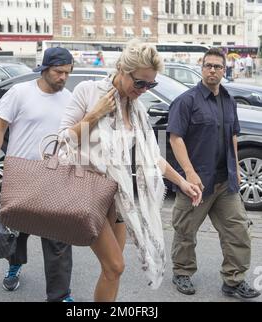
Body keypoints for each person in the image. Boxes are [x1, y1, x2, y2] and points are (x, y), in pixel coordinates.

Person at [58, 40, 202, 302]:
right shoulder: (88, 92)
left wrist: (182, 182)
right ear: (122, 69)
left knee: (112, 271)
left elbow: (152, 156)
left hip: (119, 196)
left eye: (151, 85)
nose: (144, 90)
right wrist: (94, 115)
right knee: (115, 265)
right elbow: (61, 142)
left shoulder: (137, 109)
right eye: (140, 83)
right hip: (89, 193)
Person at [167, 47, 261, 299]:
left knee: (238, 231)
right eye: (208, 65)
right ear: (202, 68)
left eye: (217, 67)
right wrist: (188, 172)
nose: (212, 70)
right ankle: (182, 273)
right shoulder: (187, 101)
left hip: (225, 182)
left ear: (224, 70)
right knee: (185, 231)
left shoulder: (229, 99)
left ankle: (233, 279)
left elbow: (233, 134)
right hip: (196, 183)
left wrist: (237, 169)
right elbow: (175, 138)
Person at [0, 47, 74, 302]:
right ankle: (14, 265)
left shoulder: (68, 98)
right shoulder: (20, 93)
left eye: (67, 73)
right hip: (20, 174)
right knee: (17, 231)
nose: (63, 78)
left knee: (58, 236)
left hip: (54, 175)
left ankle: (60, 295)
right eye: (58, 72)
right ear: (44, 69)